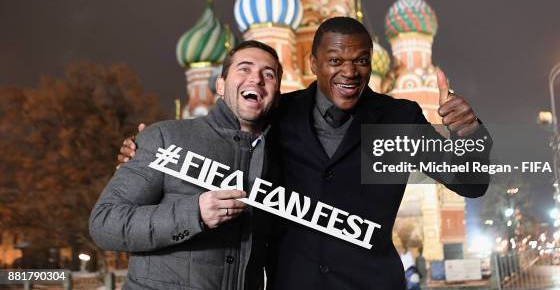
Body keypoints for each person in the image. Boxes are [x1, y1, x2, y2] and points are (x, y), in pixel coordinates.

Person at [118, 17, 491, 289]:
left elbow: (471, 183)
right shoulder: (276, 114)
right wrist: (148, 148)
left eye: (361, 60)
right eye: (335, 61)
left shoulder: (398, 117)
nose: (350, 71)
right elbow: (217, 148)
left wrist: (470, 132)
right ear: (313, 63)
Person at [89, 40, 283, 290]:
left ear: (277, 95)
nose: (256, 79)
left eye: (268, 74)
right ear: (220, 85)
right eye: (244, 68)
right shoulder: (166, 137)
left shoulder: (281, 160)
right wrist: (194, 213)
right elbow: (104, 223)